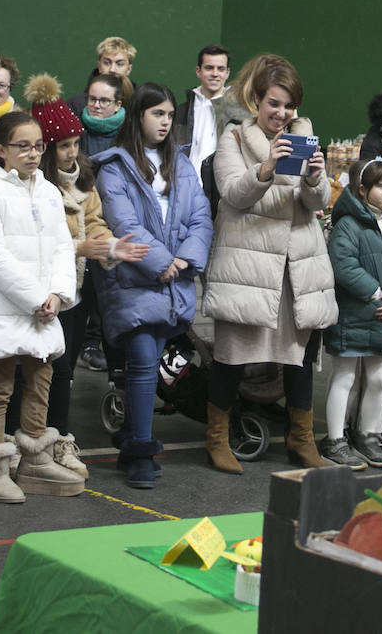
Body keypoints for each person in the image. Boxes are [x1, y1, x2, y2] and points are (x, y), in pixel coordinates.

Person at [201, 55, 337, 473]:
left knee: (299, 356)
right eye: (274, 103)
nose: (281, 113)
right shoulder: (235, 140)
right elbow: (232, 195)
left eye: (289, 105)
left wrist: (315, 178)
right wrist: (266, 167)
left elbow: (319, 202)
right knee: (232, 354)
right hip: (248, 265)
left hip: (297, 265)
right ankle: (217, 438)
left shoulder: (306, 140)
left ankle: (301, 441)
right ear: (256, 100)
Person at [26, 74, 148, 480]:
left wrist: (111, 246)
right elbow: (35, 241)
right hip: (37, 293)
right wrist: (81, 248)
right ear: (44, 149)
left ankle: (61, 441)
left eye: (76, 143)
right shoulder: (32, 188)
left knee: (64, 372)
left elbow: (94, 221)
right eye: (64, 146)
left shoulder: (83, 177)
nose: (73, 152)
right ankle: (24, 443)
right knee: (30, 372)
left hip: (73, 292)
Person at [94, 83, 212, 488]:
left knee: (147, 364)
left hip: (173, 280)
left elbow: (201, 218)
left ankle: (130, 434)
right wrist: (161, 262)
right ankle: (140, 452)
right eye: (155, 114)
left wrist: (183, 261)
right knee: (144, 361)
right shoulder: (113, 166)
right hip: (134, 278)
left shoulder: (181, 164)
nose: (164, 122)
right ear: (137, 117)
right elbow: (124, 223)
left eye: (168, 115)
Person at [0, 111, 80, 504]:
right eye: (23, 146)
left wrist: (58, 295)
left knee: (41, 380)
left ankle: (33, 458)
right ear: (1, 150)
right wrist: (35, 298)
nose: (33, 154)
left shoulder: (48, 190)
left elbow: (63, 246)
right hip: (3, 306)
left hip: (43, 308)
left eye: (38, 146)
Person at [320, 158, 382, 469]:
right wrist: (376, 294)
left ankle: (369, 435)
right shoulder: (348, 224)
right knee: (345, 377)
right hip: (352, 317)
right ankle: (335, 439)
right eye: (381, 186)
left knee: (379, 378)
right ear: (362, 190)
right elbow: (343, 265)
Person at [171, 44, 231, 175]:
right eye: (209, 68)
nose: (215, 74)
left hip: (223, 189)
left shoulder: (238, 114)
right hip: (184, 186)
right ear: (198, 71)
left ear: (227, 73)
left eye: (220, 69)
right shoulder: (181, 111)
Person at [77, 72, 128, 160]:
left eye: (104, 101)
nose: (96, 105)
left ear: (117, 105)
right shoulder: (75, 128)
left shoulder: (130, 132)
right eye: (92, 99)